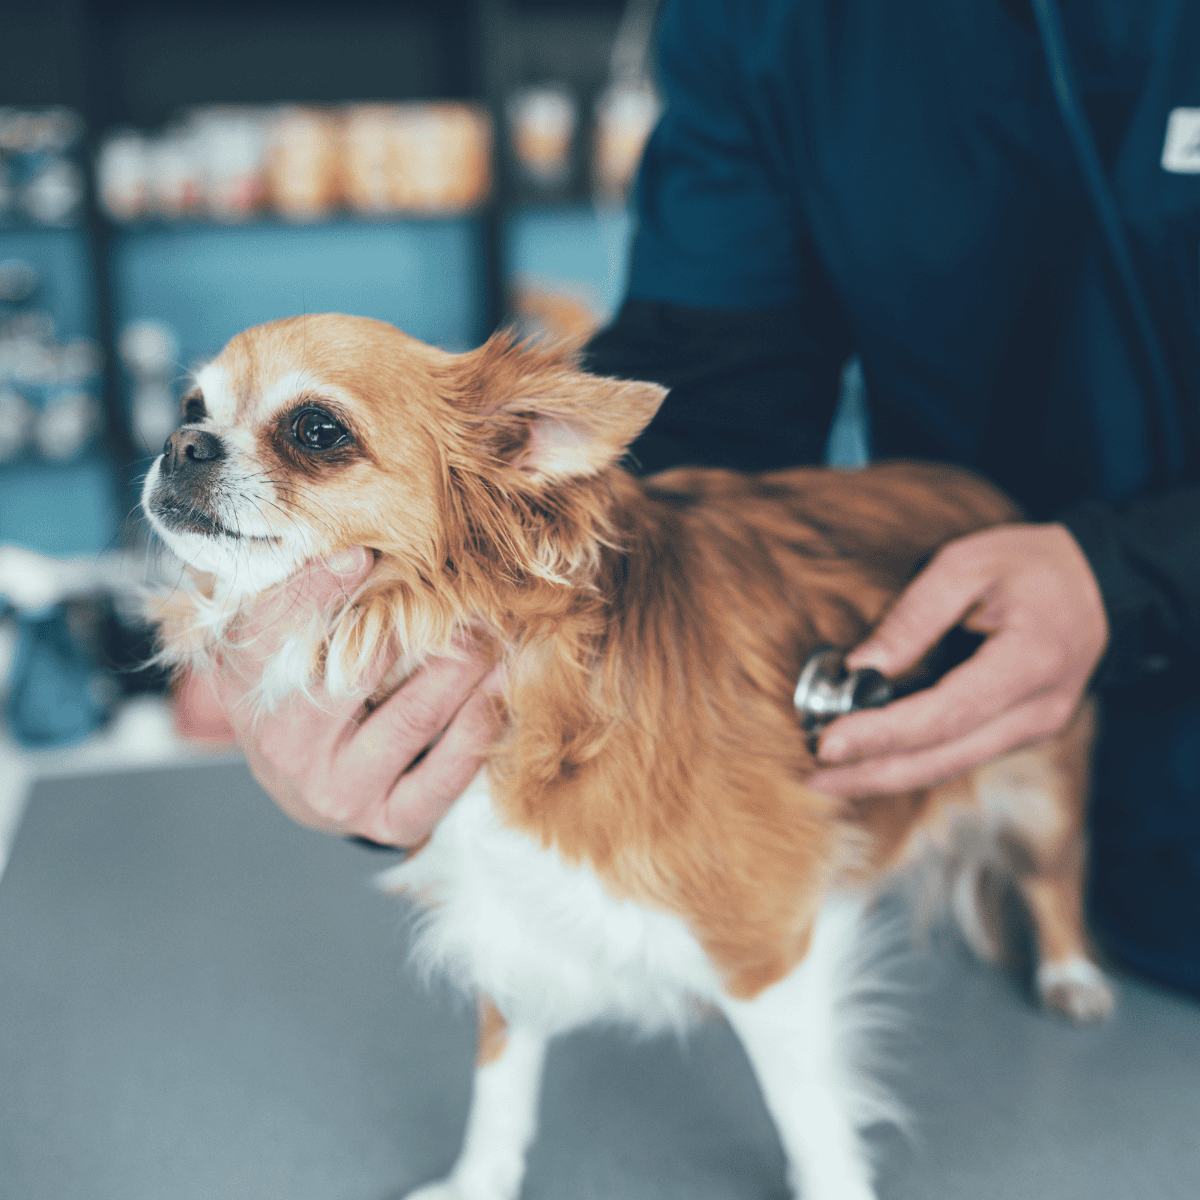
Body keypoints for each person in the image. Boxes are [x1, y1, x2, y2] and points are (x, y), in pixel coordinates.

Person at [212, 0, 1200, 997]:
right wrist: (433, 683)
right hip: (940, 757)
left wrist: (1129, 579)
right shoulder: (759, 20)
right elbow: (708, 400)